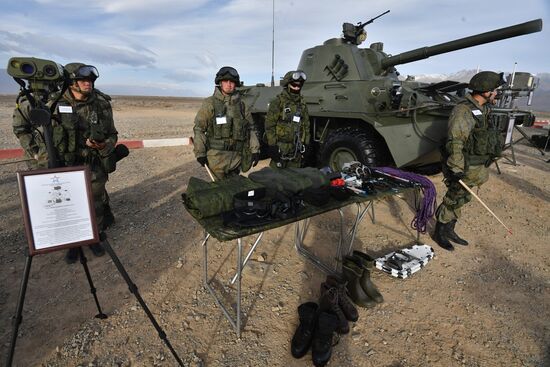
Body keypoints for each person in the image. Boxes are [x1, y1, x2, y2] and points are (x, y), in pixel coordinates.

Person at [54, 62, 119, 262]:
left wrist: (103, 146)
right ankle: (73, 243)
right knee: (67, 203)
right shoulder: (55, 103)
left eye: (90, 80)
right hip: (65, 165)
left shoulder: (101, 103)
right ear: (71, 81)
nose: (88, 83)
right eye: (83, 80)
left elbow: (112, 134)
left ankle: (93, 236)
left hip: (93, 164)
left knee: (95, 201)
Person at [433, 71, 505, 251]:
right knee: (454, 197)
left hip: (476, 165)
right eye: (495, 90)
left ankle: (450, 229)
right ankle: (440, 231)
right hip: (464, 164)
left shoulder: (483, 109)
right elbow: (455, 141)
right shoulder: (463, 110)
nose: (497, 93)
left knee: (463, 197)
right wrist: (456, 167)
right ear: (485, 91)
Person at [193, 66, 260, 179]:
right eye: (225, 81)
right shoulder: (210, 103)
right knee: (219, 192)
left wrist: (255, 150)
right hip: (216, 159)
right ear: (220, 82)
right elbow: (199, 129)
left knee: (234, 191)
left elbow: (250, 129)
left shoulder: (242, 106)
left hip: (236, 159)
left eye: (232, 82)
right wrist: (200, 153)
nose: (229, 84)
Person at [265, 70, 311, 168]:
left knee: (294, 179)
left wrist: (307, 144)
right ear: (287, 85)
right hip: (280, 148)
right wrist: (272, 145)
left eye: (299, 86)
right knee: (276, 179)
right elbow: (269, 126)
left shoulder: (302, 104)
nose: (296, 88)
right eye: (294, 85)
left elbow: (306, 125)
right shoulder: (277, 102)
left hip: (296, 149)